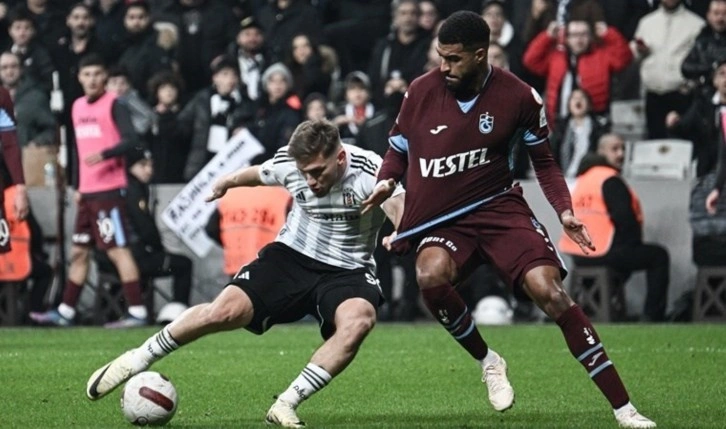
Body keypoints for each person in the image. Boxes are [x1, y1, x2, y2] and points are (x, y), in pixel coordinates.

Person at [362, 11, 655, 428]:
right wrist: (387, 181)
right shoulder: (421, 91)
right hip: (446, 219)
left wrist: (564, 210)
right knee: (430, 275)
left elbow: (545, 162)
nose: (443, 66)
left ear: (480, 55)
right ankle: (488, 361)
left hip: (499, 209)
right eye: (441, 56)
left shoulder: (519, 97)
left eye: (454, 58)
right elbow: (398, 149)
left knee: (550, 292)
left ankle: (624, 409)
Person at [85, 119, 405, 428]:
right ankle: (138, 358)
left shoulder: (371, 170)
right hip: (292, 257)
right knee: (223, 312)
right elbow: (258, 173)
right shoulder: (290, 164)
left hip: (348, 268)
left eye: (318, 172)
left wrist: (399, 231)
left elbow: (399, 204)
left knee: (359, 321)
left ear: (340, 158)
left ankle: (285, 404)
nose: (310, 181)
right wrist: (227, 182)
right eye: (304, 173)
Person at [29, 54, 147, 328]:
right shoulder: (77, 106)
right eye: (87, 74)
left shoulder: (114, 104)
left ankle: (138, 311)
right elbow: (77, 149)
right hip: (87, 192)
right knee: (79, 252)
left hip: (109, 190)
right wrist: (77, 184)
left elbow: (132, 140)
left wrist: (105, 154)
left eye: (97, 74)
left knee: (117, 250)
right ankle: (66, 311)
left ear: (105, 77)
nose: (92, 79)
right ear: (79, 77)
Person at [560, 134, 670, 322]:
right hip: (604, 251)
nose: (621, 154)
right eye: (615, 149)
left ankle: (594, 307)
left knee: (624, 260)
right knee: (658, 256)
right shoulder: (609, 179)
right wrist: (634, 242)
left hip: (578, 256)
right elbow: (625, 219)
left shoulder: (581, 180)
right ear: (601, 152)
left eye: (623, 149)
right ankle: (652, 316)